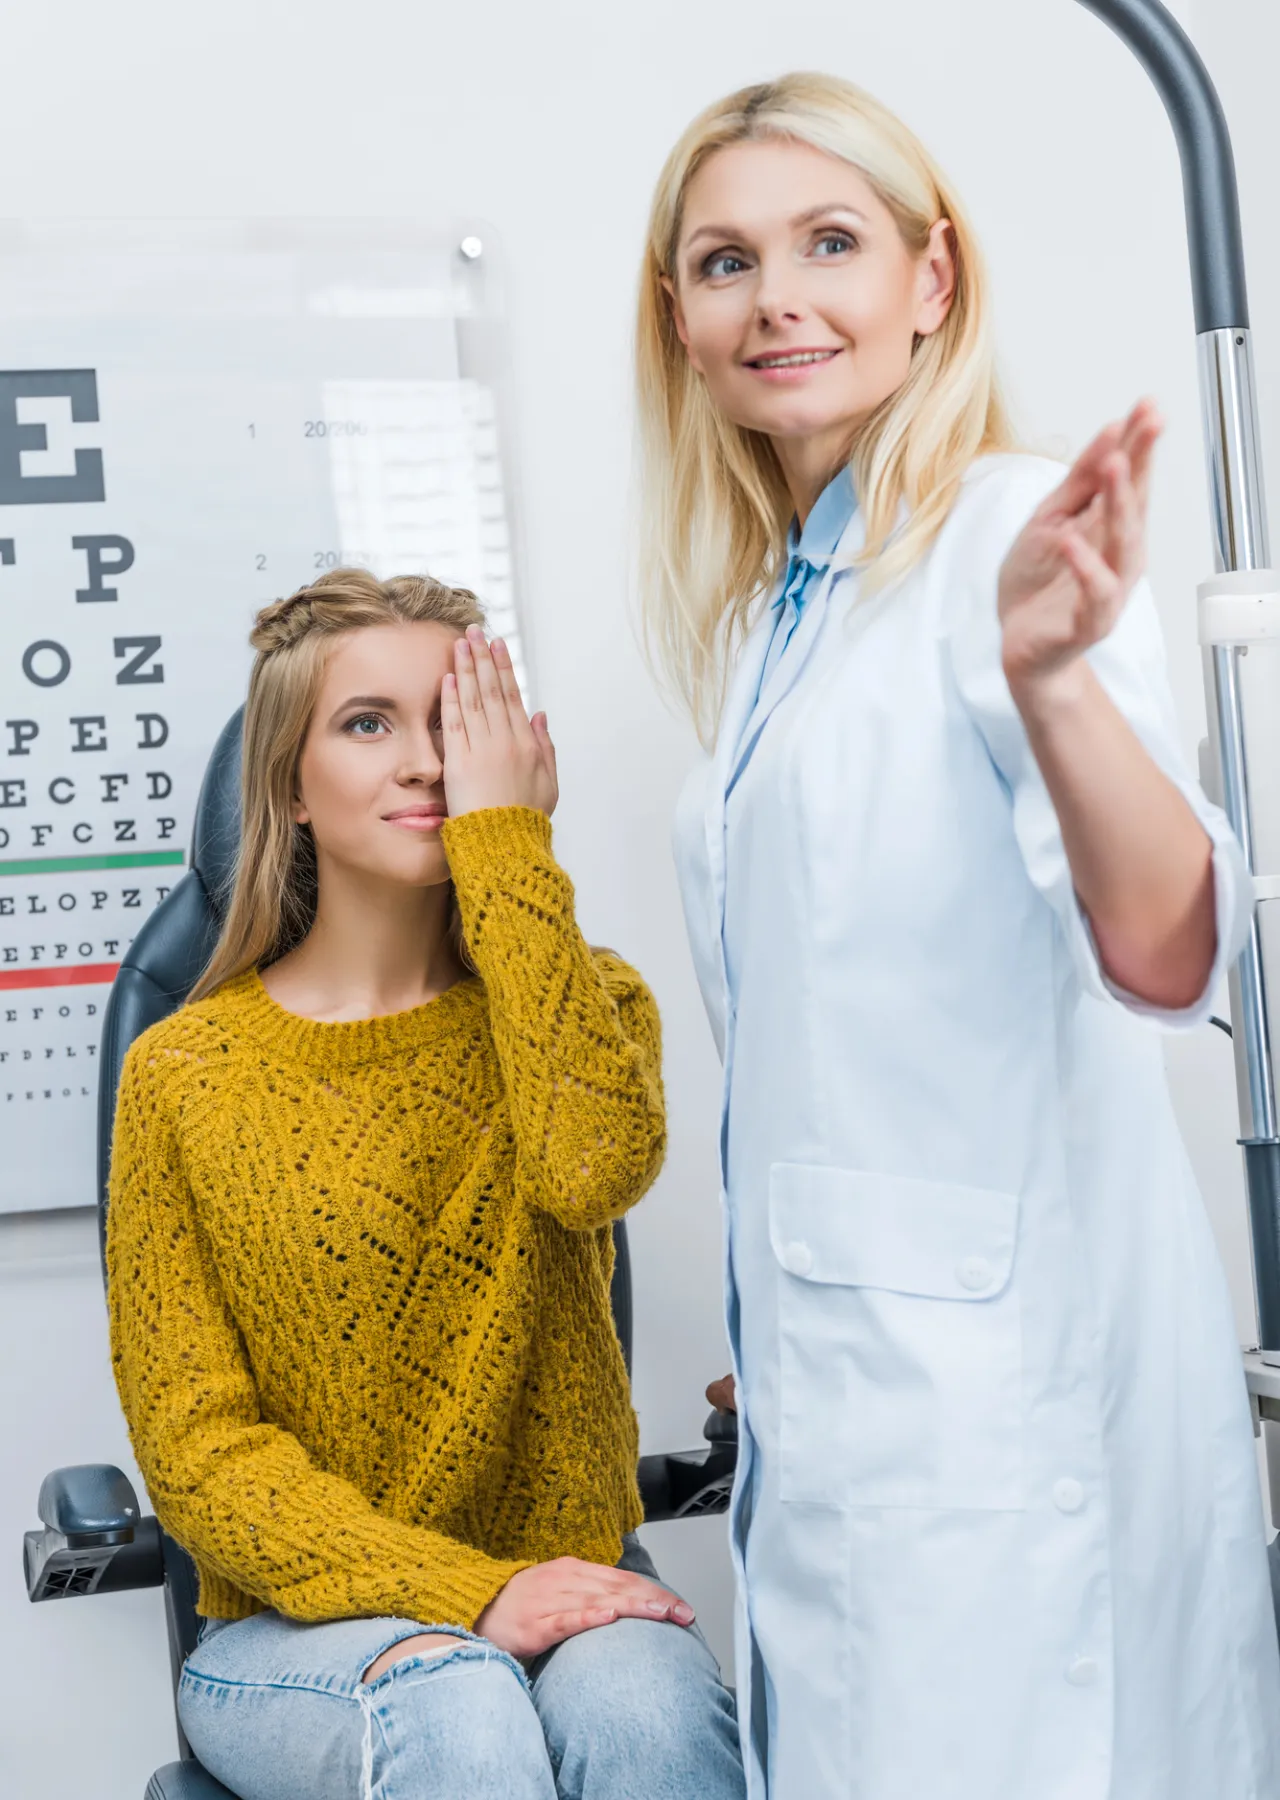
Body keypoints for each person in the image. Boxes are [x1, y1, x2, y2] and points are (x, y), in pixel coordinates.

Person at [636, 72, 1280, 1800]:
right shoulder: (792, 607)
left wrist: (1057, 681)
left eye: (830, 242)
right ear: (682, 323)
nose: (778, 296)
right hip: (861, 1411)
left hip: (998, 1436)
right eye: (726, 261)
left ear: (933, 282)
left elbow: (1165, 950)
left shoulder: (1000, 536)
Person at [106, 569, 745, 1800]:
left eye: (454, 723)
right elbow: (197, 1450)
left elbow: (589, 1169)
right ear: (288, 786)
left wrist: (508, 849)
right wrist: (472, 1595)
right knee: (455, 1707)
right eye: (368, 723)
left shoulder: (589, 1003)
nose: (423, 763)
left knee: (649, 1728)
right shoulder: (183, 1074)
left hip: (570, 1578)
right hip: (295, 1633)